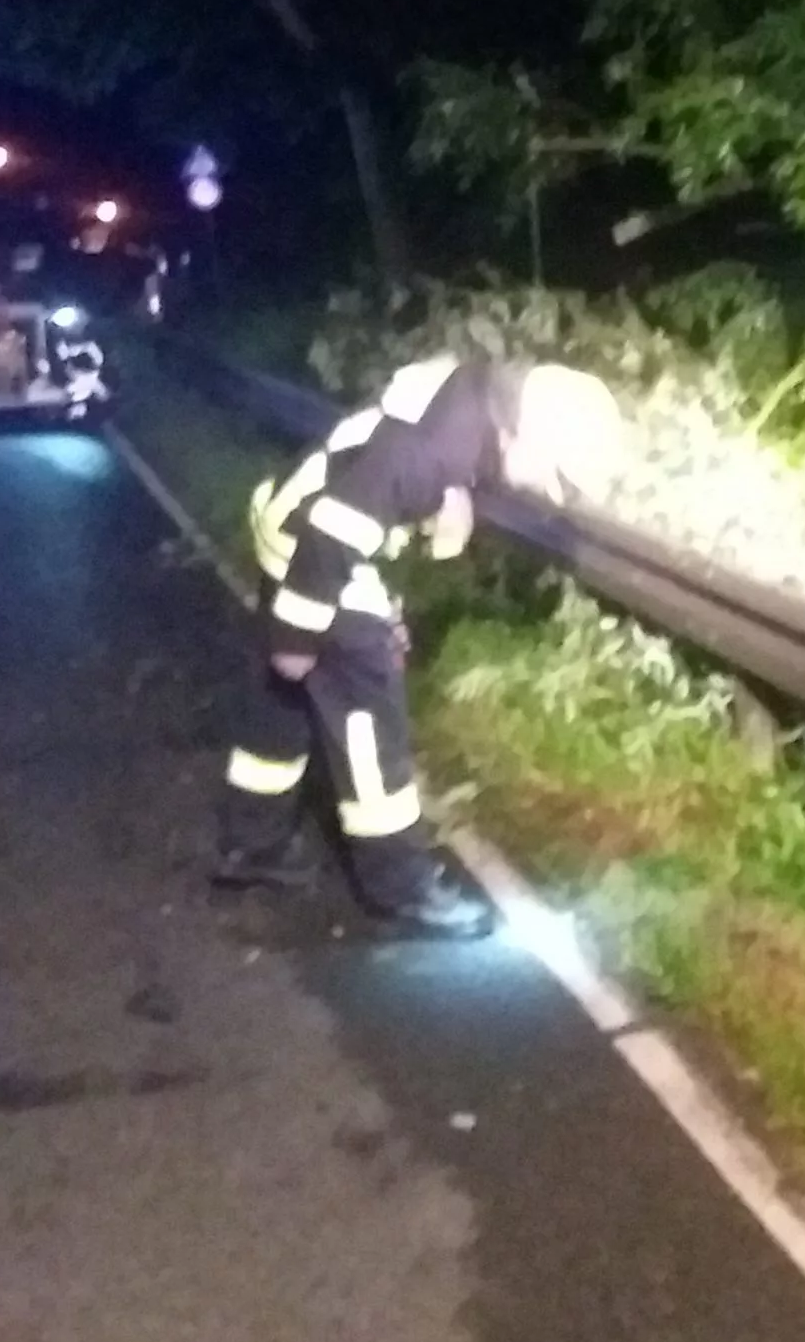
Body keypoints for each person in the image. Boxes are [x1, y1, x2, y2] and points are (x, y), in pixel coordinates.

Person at [215, 352, 625, 936]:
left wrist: (389, 598)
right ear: (523, 433)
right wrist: (297, 635)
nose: (547, 492)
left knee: (285, 709)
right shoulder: (425, 456)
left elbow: (375, 508)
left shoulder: (475, 398)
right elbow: (334, 537)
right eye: (553, 475)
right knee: (370, 730)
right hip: (313, 558)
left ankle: (247, 844)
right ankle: (402, 889)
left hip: (289, 522)